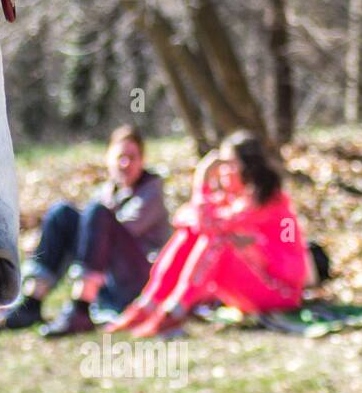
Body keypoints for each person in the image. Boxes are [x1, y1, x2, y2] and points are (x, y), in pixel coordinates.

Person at [109, 130, 309, 338]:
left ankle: (174, 311)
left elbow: (209, 224)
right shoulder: (234, 198)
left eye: (228, 164)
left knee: (216, 241)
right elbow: (185, 218)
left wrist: (202, 180)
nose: (222, 172)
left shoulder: (268, 203)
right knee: (189, 235)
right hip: (252, 284)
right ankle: (149, 303)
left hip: (280, 292)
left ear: (247, 167)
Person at [0, 125, 172, 336]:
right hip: (109, 280)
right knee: (62, 213)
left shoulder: (152, 192)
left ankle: (81, 309)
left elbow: (110, 232)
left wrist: (92, 221)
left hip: (139, 283)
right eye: (120, 157)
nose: (124, 164)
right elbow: (91, 235)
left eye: (132, 157)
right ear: (108, 158)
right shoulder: (107, 192)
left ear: (142, 160)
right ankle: (32, 302)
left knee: (96, 213)